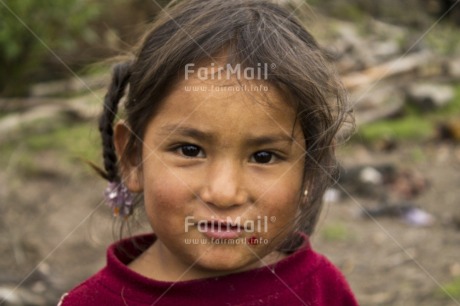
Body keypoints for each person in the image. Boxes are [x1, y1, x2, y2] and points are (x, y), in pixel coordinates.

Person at [60, 0, 357, 305]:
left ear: (311, 169)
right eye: (190, 150)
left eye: (264, 156)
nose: (224, 193)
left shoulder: (323, 291)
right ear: (133, 158)